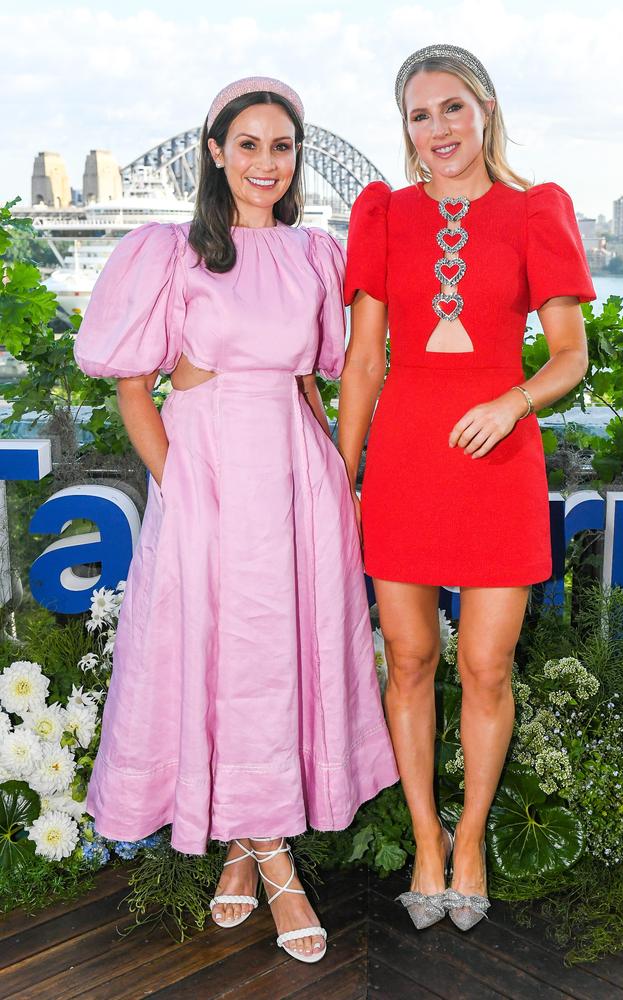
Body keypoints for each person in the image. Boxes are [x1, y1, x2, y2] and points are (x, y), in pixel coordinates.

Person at [74, 75, 398, 962]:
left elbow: (310, 380)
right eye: (247, 144)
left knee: (278, 657)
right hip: (207, 470)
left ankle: (246, 852)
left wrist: (334, 472)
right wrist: (184, 487)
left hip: (294, 470)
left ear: (297, 158)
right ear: (215, 151)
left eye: (282, 146)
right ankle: (272, 860)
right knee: (219, 652)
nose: (266, 161)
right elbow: (135, 393)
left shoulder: (314, 254)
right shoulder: (168, 252)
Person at [339, 45, 596, 931]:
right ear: (404, 129)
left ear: (484, 109)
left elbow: (571, 356)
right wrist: (346, 473)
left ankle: (475, 835)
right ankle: (425, 837)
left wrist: (511, 398)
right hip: (406, 463)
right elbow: (364, 360)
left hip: (498, 462)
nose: (437, 129)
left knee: (485, 667)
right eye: (419, 115)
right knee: (408, 659)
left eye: (451, 108)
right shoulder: (381, 214)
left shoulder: (537, 210)